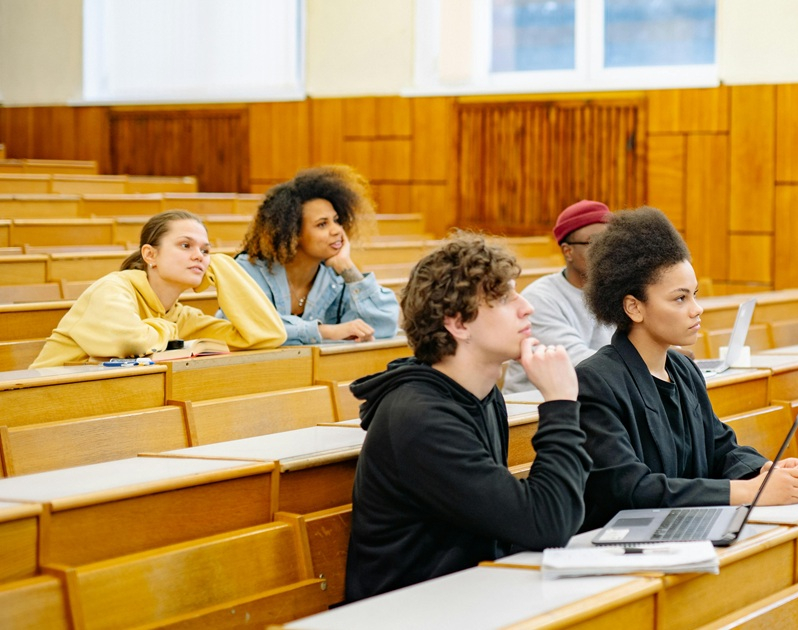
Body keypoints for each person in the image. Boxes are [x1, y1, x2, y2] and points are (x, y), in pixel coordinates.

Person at [344, 233, 591, 599]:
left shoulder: (484, 394)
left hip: (469, 592)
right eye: (505, 298)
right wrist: (560, 404)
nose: (527, 308)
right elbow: (547, 524)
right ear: (458, 324)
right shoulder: (420, 419)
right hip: (408, 611)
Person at [575, 207, 798, 532]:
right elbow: (632, 489)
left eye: (695, 295)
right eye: (679, 299)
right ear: (634, 307)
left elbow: (720, 447)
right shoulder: (595, 381)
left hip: (684, 530)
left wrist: (764, 471)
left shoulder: (684, 369)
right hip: (622, 546)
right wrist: (747, 491)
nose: (696, 309)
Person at [31, 210, 286, 368]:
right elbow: (130, 341)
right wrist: (173, 332)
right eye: (186, 245)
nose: (199, 256)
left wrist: (222, 265)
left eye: (205, 250)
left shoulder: (179, 315)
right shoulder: (113, 289)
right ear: (150, 255)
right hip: (37, 401)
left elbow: (268, 335)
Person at [234, 165, 399, 345]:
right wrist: (325, 331)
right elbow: (249, 325)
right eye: (322, 224)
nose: (337, 230)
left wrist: (348, 268)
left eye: (336, 221)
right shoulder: (248, 271)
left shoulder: (337, 277)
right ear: (292, 234)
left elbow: (384, 326)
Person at [502, 199, 616, 394]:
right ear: (568, 251)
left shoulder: (618, 290)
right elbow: (580, 364)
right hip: (532, 409)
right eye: (594, 243)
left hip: (596, 398)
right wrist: (645, 363)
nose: (606, 252)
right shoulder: (540, 299)